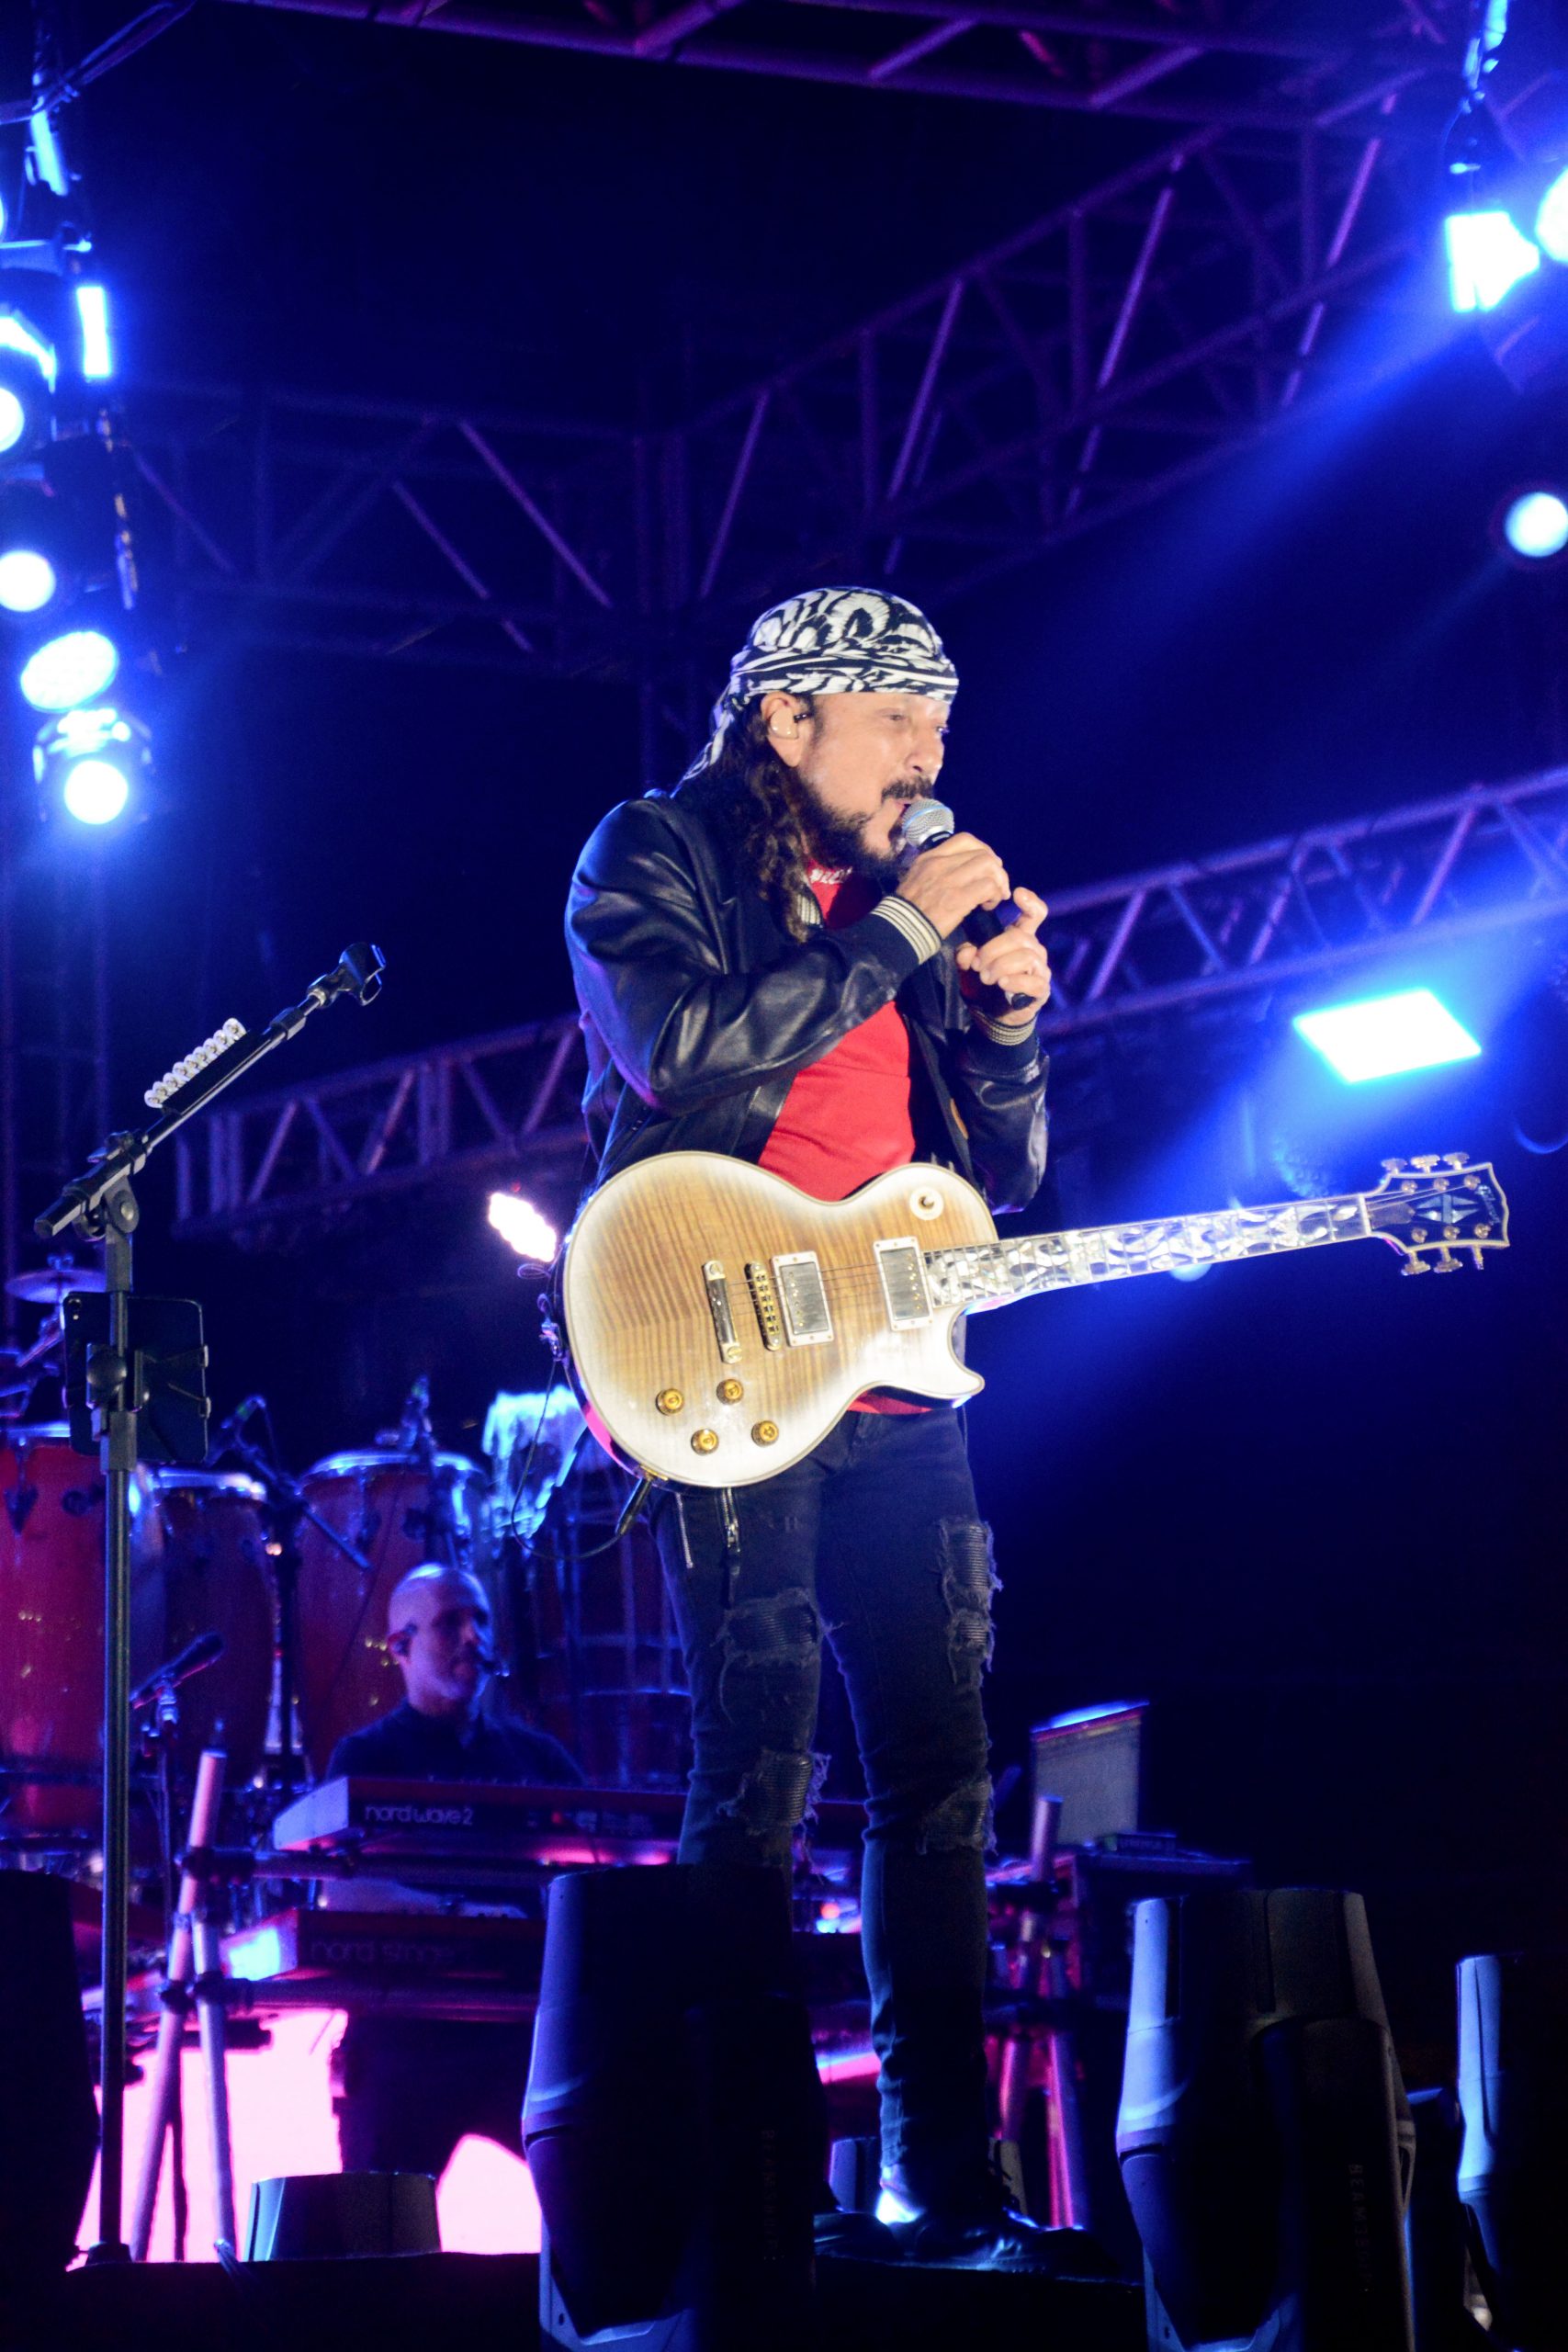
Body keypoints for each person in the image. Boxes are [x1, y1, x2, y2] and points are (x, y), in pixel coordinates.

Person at [565, 587, 1053, 2267]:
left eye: (941, 722)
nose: (930, 753)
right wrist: (904, 933)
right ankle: (748, 2185)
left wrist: (1005, 1027)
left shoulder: (901, 903)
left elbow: (1003, 1180)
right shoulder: (651, 850)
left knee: (941, 1779)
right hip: (724, 1357)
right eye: (897, 717)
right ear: (787, 719)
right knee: (757, 1763)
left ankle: (945, 2187)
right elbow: (678, 1053)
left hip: (902, 1373)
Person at [327, 1562, 581, 2181]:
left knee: (603, 2194)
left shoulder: (537, 1757)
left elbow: (602, 1864)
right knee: (381, 2226)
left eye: (481, 1620)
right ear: (400, 1647)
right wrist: (461, 1916)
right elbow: (344, 1890)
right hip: (406, 2033)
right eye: (449, 1624)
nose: (474, 1637)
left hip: (524, 2029)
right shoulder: (365, 1757)